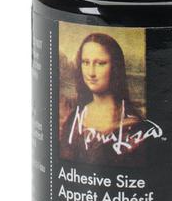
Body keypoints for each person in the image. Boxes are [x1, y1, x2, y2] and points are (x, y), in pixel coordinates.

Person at [60, 33, 155, 165]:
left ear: (115, 67)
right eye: (85, 62)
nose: (91, 73)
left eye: (100, 63)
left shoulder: (134, 125)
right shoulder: (74, 120)